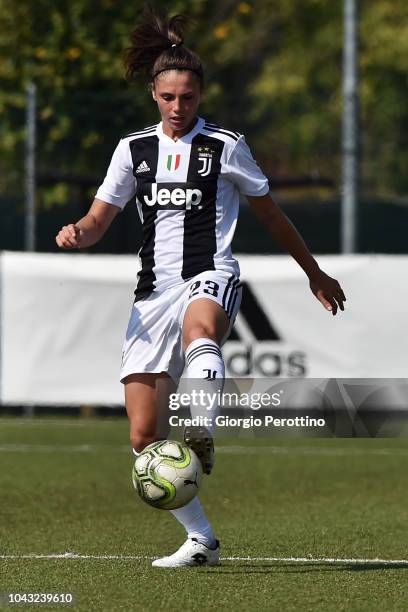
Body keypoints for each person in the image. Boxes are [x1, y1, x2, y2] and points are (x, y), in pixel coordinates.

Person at [55, 6, 346, 568]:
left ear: (201, 94)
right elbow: (98, 220)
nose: (179, 107)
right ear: (154, 95)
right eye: (169, 98)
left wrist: (315, 272)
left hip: (209, 271)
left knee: (203, 329)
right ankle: (201, 540)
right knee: (143, 438)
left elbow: (271, 214)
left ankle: (203, 428)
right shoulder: (131, 150)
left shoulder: (225, 145)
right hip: (150, 294)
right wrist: (76, 232)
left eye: (188, 97)